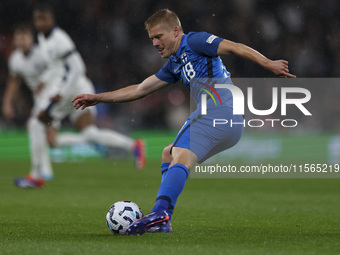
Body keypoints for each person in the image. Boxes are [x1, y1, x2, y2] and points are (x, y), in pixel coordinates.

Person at [72, 9, 296, 235]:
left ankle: (159, 213)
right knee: (169, 153)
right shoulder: (174, 64)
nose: (155, 43)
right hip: (231, 123)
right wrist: (98, 98)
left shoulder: (195, 41)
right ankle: (164, 219)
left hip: (219, 112)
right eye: (152, 39)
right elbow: (140, 89)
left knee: (178, 152)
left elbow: (234, 46)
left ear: (176, 31)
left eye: (159, 36)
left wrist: (268, 63)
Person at [2, 9, 145, 188]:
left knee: (35, 124)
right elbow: (18, 80)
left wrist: (52, 87)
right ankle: (133, 145)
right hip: (67, 89)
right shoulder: (24, 54)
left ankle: (39, 174)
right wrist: (9, 102)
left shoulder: (52, 43)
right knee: (84, 134)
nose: (22, 40)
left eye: (25, 37)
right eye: (19, 37)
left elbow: (72, 67)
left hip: (65, 91)